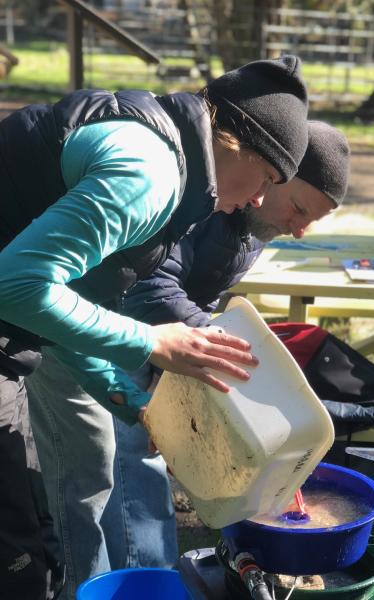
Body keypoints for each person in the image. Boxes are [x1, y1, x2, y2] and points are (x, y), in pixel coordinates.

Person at [0, 54, 309, 600]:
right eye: (267, 178)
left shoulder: (175, 167)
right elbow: (16, 285)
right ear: (234, 141)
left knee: (29, 541)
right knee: (18, 558)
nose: (261, 200)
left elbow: (59, 308)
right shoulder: (152, 175)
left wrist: (129, 397)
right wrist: (151, 340)